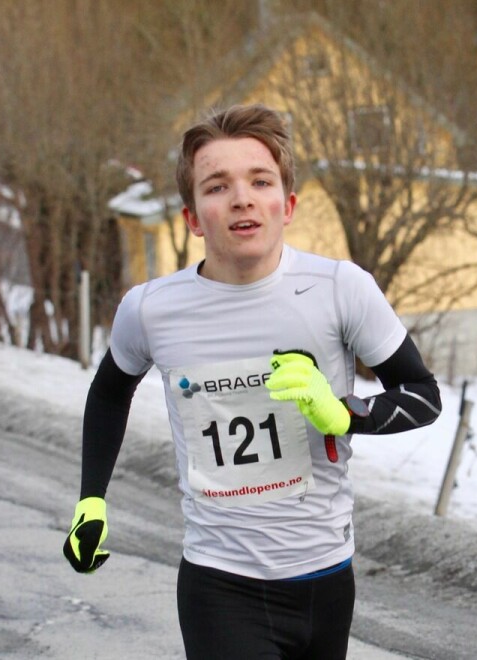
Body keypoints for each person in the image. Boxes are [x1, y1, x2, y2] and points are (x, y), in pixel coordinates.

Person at [63, 103, 441, 659]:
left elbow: (423, 395)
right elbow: (110, 390)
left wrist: (347, 413)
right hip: (220, 581)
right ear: (192, 217)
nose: (241, 197)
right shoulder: (151, 310)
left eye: (259, 181)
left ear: (285, 205)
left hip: (327, 576)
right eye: (216, 187)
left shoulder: (341, 289)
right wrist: (90, 499)